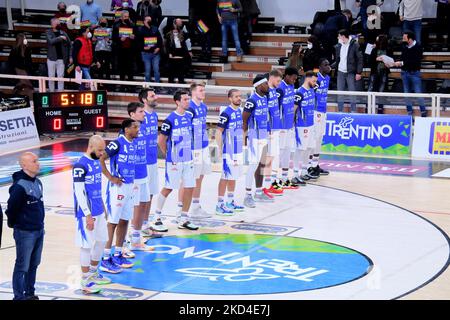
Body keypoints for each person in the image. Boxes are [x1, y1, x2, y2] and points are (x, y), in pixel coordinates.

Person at [153, 90, 199, 231]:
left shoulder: (189, 116)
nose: (188, 101)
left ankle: (183, 218)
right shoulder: (170, 119)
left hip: (188, 158)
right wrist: (169, 155)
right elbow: (161, 140)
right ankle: (156, 217)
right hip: (174, 160)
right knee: (169, 187)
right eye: (185, 99)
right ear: (177, 102)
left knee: (190, 187)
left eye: (188, 99)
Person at [73, 135, 113, 294]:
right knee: (86, 245)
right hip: (86, 213)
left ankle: (93, 272)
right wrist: (88, 214)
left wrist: (103, 206)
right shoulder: (80, 165)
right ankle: (84, 279)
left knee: (102, 240)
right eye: (100, 150)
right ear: (90, 147)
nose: (102, 153)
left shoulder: (96, 161)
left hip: (98, 210)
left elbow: (97, 187)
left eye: (103, 150)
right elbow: (79, 192)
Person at [100, 119, 139, 272]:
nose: (137, 129)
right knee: (112, 222)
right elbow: (101, 159)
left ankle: (118, 253)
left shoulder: (133, 144)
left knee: (124, 220)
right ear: (126, 129)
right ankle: (105, 258)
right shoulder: (117, 143)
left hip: (129, 187)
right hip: (117, 188)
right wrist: (111, 177)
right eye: (135, 127)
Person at [6, 152, 44, 300]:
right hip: (25, 232)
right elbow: (11, 208)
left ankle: (29, 293)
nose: (38, 163)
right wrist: (15, 224)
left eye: (37, 160)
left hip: (39, 230)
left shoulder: (38, 182)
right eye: (34, 161)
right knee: (22, 266)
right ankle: (18, 297)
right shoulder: (19, 186)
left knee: (34, 264)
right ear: (24, 165)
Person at [177, 83, 212, 219]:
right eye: (201, 90)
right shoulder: (189, 108)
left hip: (203, 146)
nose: (203, 92)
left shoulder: (203, 107)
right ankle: (180, 209)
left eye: (204, 90)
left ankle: (196, 207)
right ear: (193, 93)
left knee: (200, 177)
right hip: (192, 149)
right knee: (188, 179)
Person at [125, 102, 155, 252]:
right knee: (135, 207)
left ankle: (137, 238)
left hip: (144, 172)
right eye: (141, 111)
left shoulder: (141, 129)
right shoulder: (126, 132)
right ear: (132, 115)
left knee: (143, 203)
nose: (144, 113)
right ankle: (128, 240)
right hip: (134, 176)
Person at [242, 74, 274, 208]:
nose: (268, 86)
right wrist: (244, 137)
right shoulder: (251, 101)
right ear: (259, 86)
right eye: (266, 84)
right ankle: (247, 196)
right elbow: (244, 120)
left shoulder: (265, 97)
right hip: (254, 137)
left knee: (262, 164)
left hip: (264, 135)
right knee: (253, 165)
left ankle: (259, 192)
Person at [215, 89, 246, 215]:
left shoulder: (239, 111)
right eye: (236, 96)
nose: (239, 98)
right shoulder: (226, 113)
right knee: (225, 176)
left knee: (234, 176)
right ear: (230, 98)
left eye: (240, 96)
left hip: (237, 150)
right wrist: (220, 149)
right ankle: (219, 204)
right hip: (228, 150)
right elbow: (218, 132)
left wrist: (243, 144)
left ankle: (230, 201)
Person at [138, 88, 162, 234]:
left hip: (153, 161)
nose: (156, 97)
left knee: (151, 193)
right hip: (142, 163)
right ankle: (137, 226)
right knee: (142, 196)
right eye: (152, 96)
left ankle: (145, 225)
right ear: (144, 100)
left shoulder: (155, 115)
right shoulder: (140, 117)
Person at [292, 71, 319, 184]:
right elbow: (294, 109)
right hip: (302, 126)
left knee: (309, 148)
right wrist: (293, 124)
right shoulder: (299, 93)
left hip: (311, 124)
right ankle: (295, 174)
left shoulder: (312, 89)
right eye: (313, 81)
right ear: (307, 79)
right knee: (300, 150)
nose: (315, 83)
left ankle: (303, 171)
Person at [276, 67, 300, 189]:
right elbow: (275, 108)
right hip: (281, 127)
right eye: (293, 78)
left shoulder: (291, 87)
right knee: (279, 153)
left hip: (290, 125)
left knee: (286, 153)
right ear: (287, 76)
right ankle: (275, 180)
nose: (294, 81)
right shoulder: (280, 88)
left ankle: (284, 179)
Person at [393, 31, 426, 117]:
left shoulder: (418, 47)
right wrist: (397, 62)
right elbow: (403, 58)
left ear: (410, 39)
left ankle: (423, 112)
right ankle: (409, 113)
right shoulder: (404, 46)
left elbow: (415, 62)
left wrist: (402, 63)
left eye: (404, 38)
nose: (403, 40)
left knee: (418, 93)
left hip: (415, 73)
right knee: (406, 94)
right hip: (405, 73)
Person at [332, 29, 363, 113]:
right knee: (340, 92)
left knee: (352, 92)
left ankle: (353, 111)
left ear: (342, 36)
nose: (338, 38)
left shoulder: (355, 45)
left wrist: (359, 72)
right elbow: (338, 59)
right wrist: (331, 67)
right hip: (340, 72)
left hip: (351, 72)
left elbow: (360, 59)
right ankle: (340, 111)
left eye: (339, 36)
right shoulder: (338, 46)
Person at [310, 59, 332, 176]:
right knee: (314, 139)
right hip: (315, 112)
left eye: (329, 64)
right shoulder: (316, 79)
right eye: (326, 65)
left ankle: (315, 165)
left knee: (319, 139)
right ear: (320, 67)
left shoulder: (327, 78)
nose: (328, 67)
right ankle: (310, 167)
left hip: (323, 112)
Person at [265, 70, 285, 196]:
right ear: (271, 78)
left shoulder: (276, 92)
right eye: (278, 81)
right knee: (268, 157)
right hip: (268, 129)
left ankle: (271, 182)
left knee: (274, 156)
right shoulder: (264, 91)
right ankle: (266, 185)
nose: (279, 84)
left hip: (276, 127)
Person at [367, 34, 391, 114]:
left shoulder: (388, 49)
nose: (376, 41)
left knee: (382, 90)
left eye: (377, 40)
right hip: (374, 72)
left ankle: (380, 109)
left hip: (384, 72)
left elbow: (391, 61)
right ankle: (368, 107)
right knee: (370, 88)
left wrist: (388, 63)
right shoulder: (374, 49)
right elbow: (369, 61)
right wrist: (376, 59)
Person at [46, 18, 71, 92]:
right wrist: (60, 38)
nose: (58, 25)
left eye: (59, 23)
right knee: (51, 76)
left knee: (60, 77)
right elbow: (51, 41)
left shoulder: (63, 33)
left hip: (61, 59)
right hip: (51, 58)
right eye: (57, 23)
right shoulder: (48, 32)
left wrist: (70, 56)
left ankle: (60, 93)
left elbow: (70, 44)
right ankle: (51, 92)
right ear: (52, 25)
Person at [112, 10, 136, 89]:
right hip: (120, 49)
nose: (126, 18)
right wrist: (119, 39)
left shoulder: (132, 24)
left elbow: (137, 36)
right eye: (125, 17)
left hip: (130, 49)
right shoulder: (116, 25)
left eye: (127, 17)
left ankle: (130, 85)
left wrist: (133, 37)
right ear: (121, 17)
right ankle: (122, 85)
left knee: (130, 68)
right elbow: (113, 37)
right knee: (122, 68)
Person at [8, 33, 34, 99]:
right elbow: (11, 62)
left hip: (25, 70)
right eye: (24, 38)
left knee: (22, 84)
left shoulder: (27, 49)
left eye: (26, 38)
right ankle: (32, 99)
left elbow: (29, 61)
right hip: (18, 69)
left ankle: (13, 96)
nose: (26, 40)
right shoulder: (14, 50)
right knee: (28, 85)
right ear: (21, 39)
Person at [137, 15, 162, 83]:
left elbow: (160, 40)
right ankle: (147, 86)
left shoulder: (155, 28)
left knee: (156, 70)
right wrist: (143, 47)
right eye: (148, 20)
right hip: (146, 53)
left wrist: (158, 47)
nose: (149, 21)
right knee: (147, 70)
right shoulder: (140, 30)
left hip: (155, 53)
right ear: (144, 21)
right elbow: (138, 42)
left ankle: (158, 85)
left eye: (150, 20)